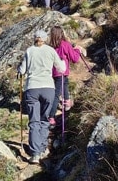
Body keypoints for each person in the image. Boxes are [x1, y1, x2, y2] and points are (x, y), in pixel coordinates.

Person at [18, 29, 66, 164]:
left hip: (32, 88)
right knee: (44, 119)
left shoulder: (29, 51)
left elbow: (22, 70)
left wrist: (19, 69)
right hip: (48, 88)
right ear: (45, 39)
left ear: (34, 38)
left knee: (34, 121)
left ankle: (35, 154)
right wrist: (63, 62)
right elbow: (61, 69)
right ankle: (43, 148)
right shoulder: (51, 51)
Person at [47, 25, 86, 128]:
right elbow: (75, 59)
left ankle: (67, 102)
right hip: (62, 71)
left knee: (65, 84)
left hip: (54, 72)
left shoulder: (50, 47)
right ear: (61, 34)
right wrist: (77, 50)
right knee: (56, 94)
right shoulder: (65, 44)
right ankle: (51, 117)